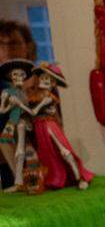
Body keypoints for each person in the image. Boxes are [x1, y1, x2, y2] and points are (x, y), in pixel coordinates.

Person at [26, 62, 93, 190]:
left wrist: (37, 110)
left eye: (48, 79)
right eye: (43, 77)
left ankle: (79, 177)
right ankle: (53, 178)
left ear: (53, 84)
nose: (44, 81)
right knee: (46, 152)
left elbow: (40, 110)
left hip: (48, 124)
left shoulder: (49, 97)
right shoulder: (34, 96)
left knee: (63, 149)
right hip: (39, 126)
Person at [0, 59, 34, 191]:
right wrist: (10, 105)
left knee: (22, 149)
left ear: (25, 77)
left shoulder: (25, 93)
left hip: (23, 122)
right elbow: (2, 110)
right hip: (12, 121)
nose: (18, 77)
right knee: (5, 143)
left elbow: (29, 111)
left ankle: (22, 181)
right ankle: (18, 179)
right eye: (15, 74)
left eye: (21, 74)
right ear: (10, 77)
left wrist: (20, 104)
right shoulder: (7, 92)